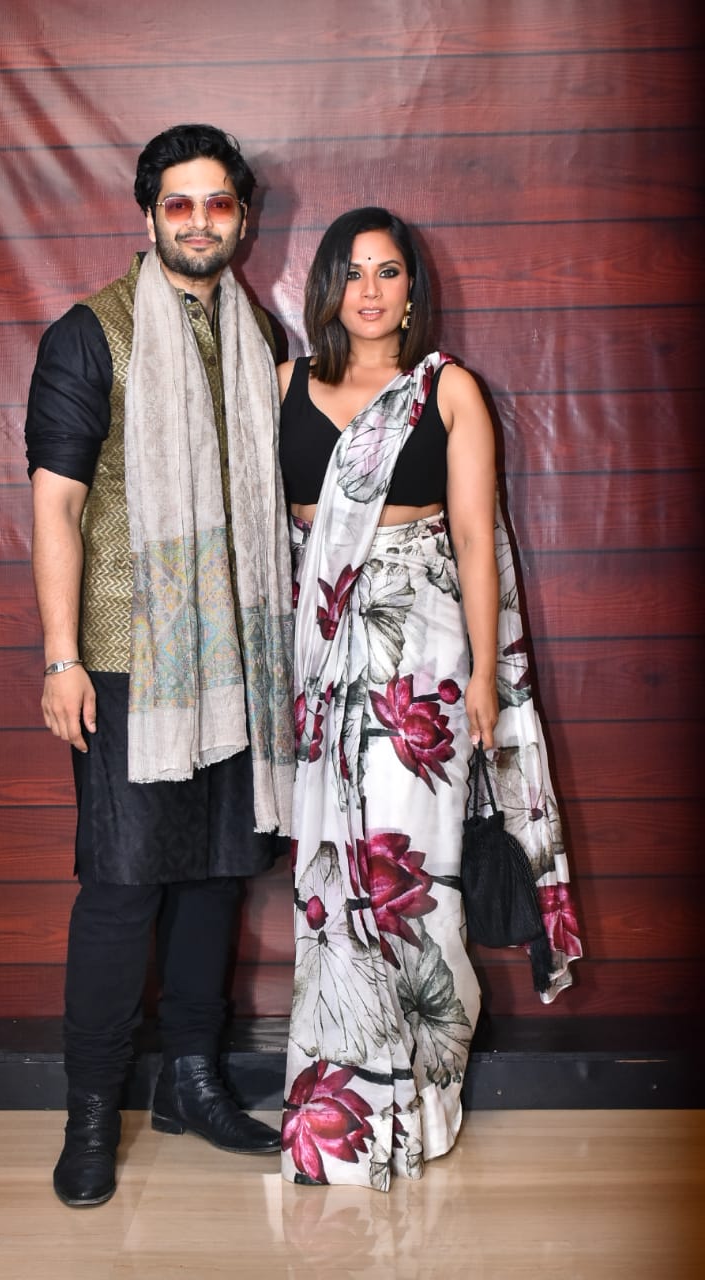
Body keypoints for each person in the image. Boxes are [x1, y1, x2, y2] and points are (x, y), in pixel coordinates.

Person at [276, 207, 581, 1191]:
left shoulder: (446, 392)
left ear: (413, 289)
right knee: (331, 888)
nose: (370, 289)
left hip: (423, 670)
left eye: (388, 271)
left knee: (412, 884)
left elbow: (479, 545)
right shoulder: (283, 387)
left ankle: (420, 1104)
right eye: (352, 272)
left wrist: (487, 678)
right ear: (327, 287)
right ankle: (336, 1116)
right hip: (319, 672)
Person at [24, 123, 295, 1208]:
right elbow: (58, 502)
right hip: (131, 657)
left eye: (215, 204)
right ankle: (92, 1110)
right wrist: (61, 657)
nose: (196, 222)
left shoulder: (260, 332)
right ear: (148, 218)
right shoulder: (89, 335)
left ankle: (191, 1077)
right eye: (176, 205)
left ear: (241, 219)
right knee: (125, 884)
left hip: (238, 656)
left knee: (219, 872)